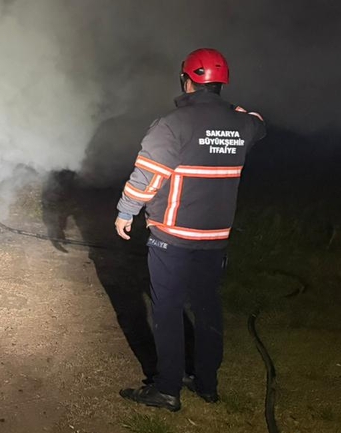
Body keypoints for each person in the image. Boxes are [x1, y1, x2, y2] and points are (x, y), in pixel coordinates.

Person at [115, 48, 266, 412]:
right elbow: (259, 124)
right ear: (220, 83)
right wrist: (240, 114)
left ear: (188, 80)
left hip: (173, 237)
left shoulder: (171, 124)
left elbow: (148, 177)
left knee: (167, 310)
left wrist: (126, 211)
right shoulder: (241, 124)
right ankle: (207, 383)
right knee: (208, 308)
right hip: (216, 238)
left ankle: (167, 389)